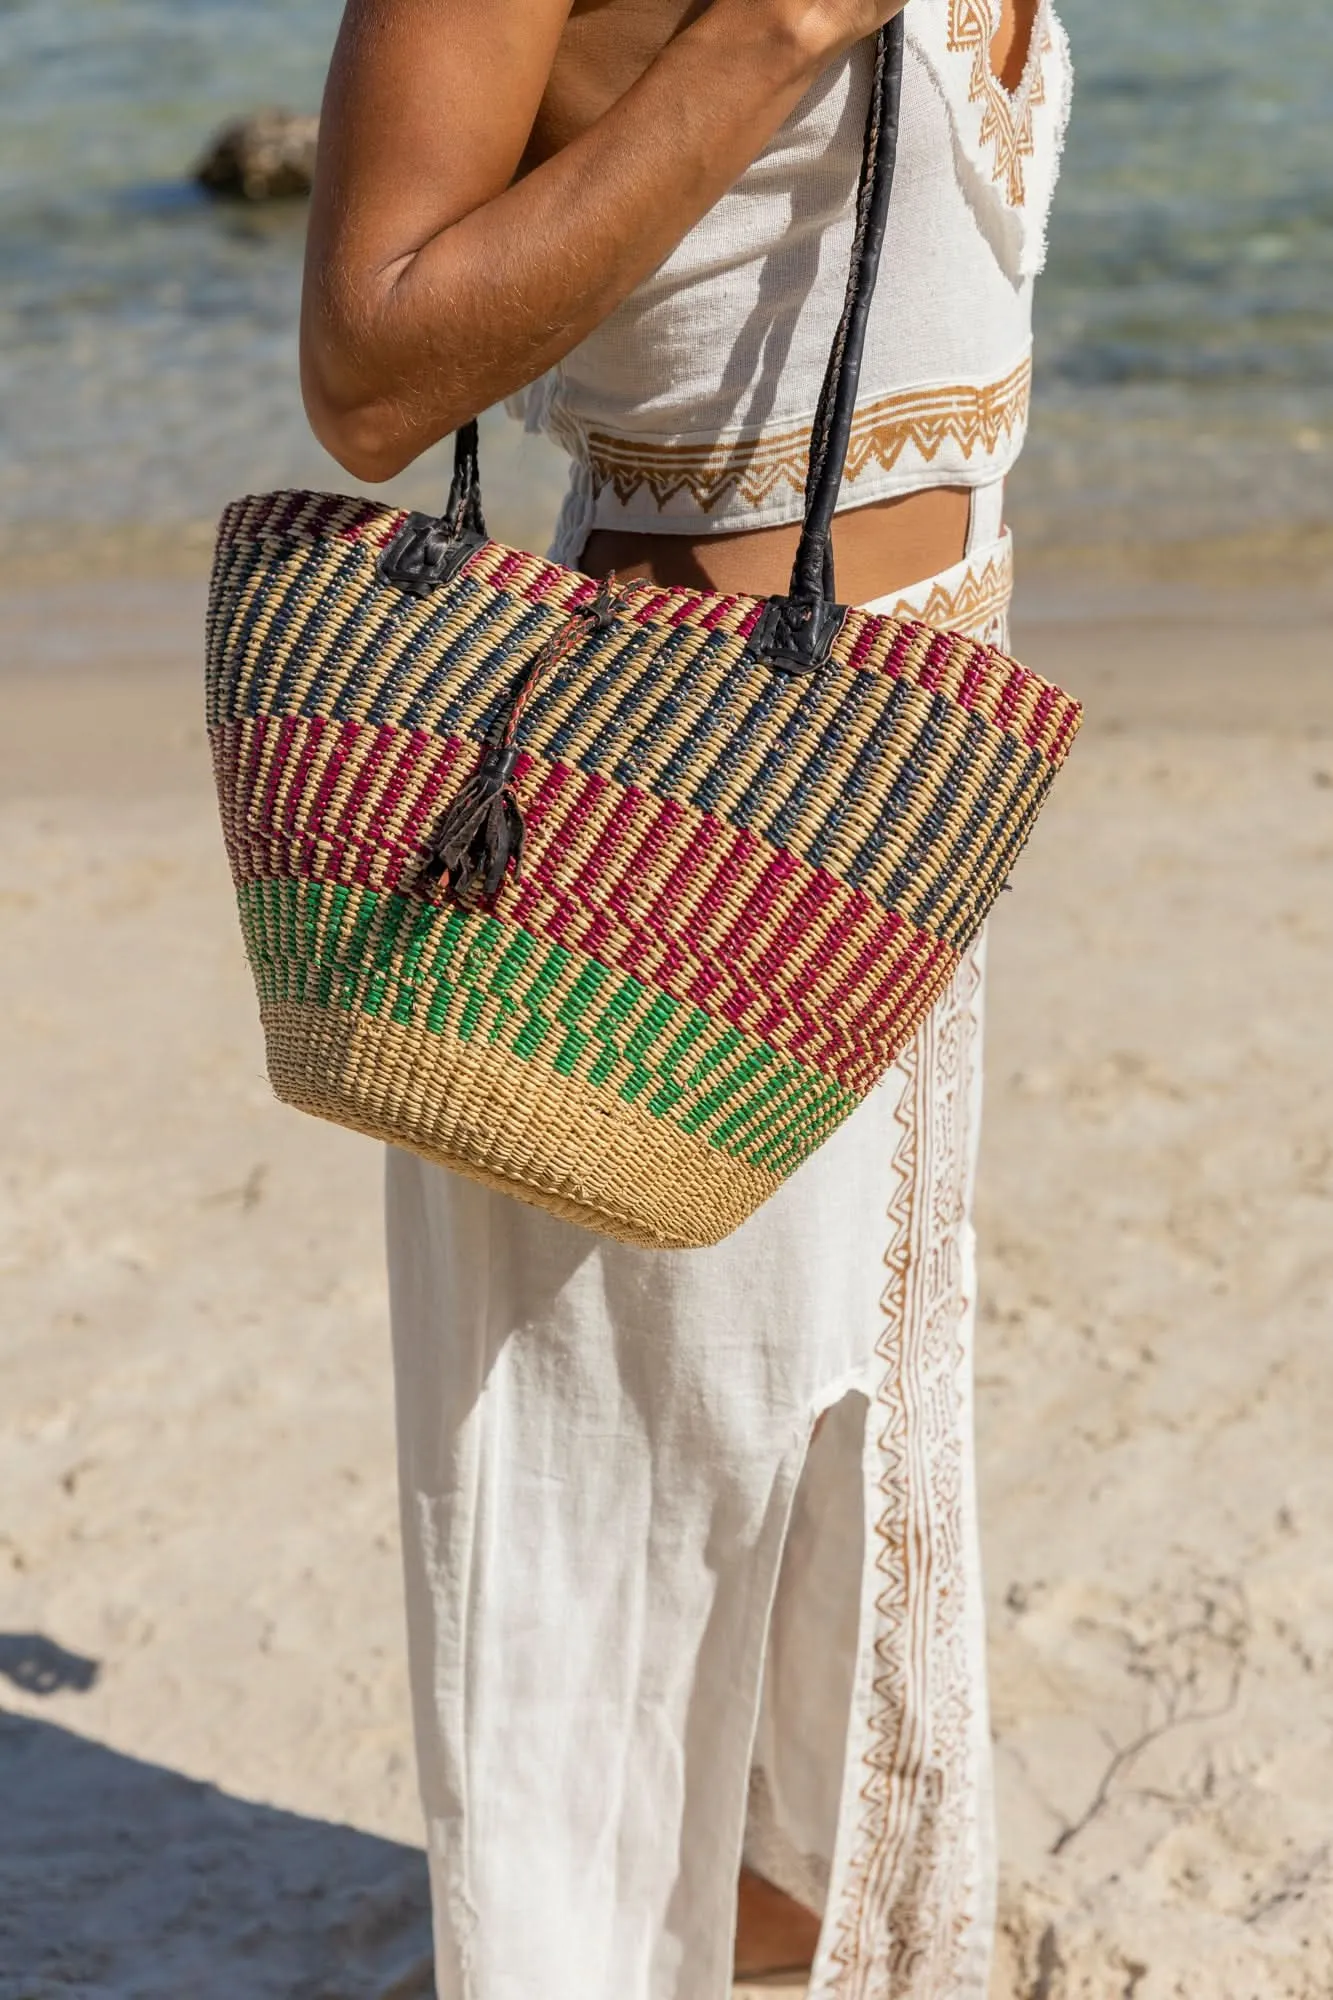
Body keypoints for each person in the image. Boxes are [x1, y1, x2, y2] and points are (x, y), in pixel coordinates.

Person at [299, 0, 1071, 1992]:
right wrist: (774, 39)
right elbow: (371, 379)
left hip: (896, 758)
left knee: (844, 1464)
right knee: (629, 1490)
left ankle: (785, 1940)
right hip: (657, 807)